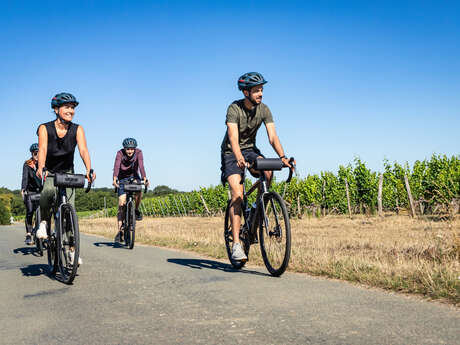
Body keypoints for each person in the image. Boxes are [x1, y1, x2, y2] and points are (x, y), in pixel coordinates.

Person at [220, 72, 294, 261]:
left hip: (251, 150)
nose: (261, 93)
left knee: (268, 171)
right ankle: (236, 244)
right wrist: (238, 157)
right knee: (237, 194)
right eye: (256, 91)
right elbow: (233, 138)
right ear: (246, 92)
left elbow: (272, 137)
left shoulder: (264, 110)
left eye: (261, 90)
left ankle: (256, 209)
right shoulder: (234, 109)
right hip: (231, 152)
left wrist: (283, 157)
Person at [36, 92, 96, 265]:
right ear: (56, 109)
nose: (71, 111)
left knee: (70, 213)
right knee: (47, 192)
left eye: (72, 108)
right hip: (50, 171)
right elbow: (43, 149)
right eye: (67, 107)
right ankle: (44, 223)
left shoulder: (78, 129)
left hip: (68, 172)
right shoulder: (44, 128)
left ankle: (71, 251)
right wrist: (41, 167)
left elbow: (83, 150)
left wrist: (88, 169)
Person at [112, 138, 149, 242]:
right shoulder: (120, 153)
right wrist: (115, 178)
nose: (130, 151)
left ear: (135, 148)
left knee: (139, 190)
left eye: (132, 149)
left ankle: (136, 210)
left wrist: (144, 177)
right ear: (124, 148)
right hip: (122, 178)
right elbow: (116, 166)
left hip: (134, 177)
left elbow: (141, 165)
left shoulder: (139, 153)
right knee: (121, 204)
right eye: (128, 149)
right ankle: (120, 231)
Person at [20, 143, 42, 245]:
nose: (37, 155)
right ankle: (29, 234)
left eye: (39, 153)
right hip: (30, 191)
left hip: (41, 191)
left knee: (44, 211)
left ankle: (42, 230)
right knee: (30, 211)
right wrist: (23, 189)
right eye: (35, 153)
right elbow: (25, 178)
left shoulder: (43, 163)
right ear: (32, 154)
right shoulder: (27, 164)